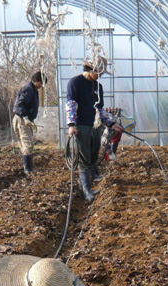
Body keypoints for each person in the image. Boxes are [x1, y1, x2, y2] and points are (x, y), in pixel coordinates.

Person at [65, 55, 123, 201]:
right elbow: (71, 105)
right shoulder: (75, 83)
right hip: (81, 126)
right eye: (100, 72)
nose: (101, 75)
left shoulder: (98, 87)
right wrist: (71, 125)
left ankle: (84, 185)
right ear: (91, 68)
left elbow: (101, 109)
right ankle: (86, 190)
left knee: (92, 156)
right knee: (83, 158)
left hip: (95, 125)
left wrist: (111, 123)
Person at [13, 71, 47, 175]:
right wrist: (25, 117)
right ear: (35, 80)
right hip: (22, 119)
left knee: (26, 144)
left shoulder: (33, 89)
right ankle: (28, 170)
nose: (41, 86)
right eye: (41, 83)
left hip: (25, 119)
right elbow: (20, 104)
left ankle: (27, 167)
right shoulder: (28, 88)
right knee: (28, 144)